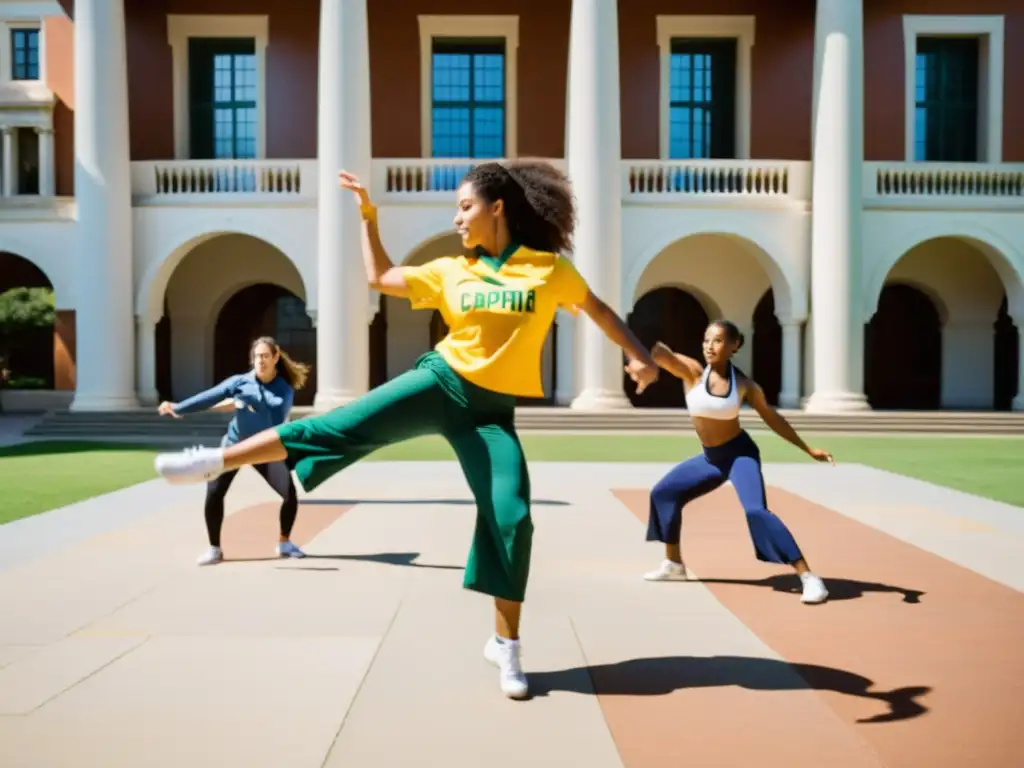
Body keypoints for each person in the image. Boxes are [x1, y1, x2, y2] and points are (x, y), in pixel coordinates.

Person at [151, 160, 660, 699]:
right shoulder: (451, 270)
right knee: (336, 426)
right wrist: (369, 216)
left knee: (513, 518)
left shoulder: (548, 270)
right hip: (439, 383)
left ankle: (505, 645)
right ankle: (213, 461)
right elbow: (380, 278)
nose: (458, 218)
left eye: (465, 207)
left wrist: (640, 357)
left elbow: (599, 310)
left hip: (490, 414)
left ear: (498, 208)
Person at [642, 320, 832, 605]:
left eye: (717, 341)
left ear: (734, 346)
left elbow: (772, 418)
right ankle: (674, 565)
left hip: (739, 455)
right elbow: (661, 355)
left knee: (756, 511)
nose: (709, 345)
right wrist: (639, 352)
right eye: (706, 339)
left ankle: (809, 577)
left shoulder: (744, 385)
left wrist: (807, 449)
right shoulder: (693, 373)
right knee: (664, 493)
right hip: (710, 459)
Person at [157, 336, 311, 566]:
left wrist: (248, 399)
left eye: (266, 356)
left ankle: (284, 542)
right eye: (257, 356)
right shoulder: (240, 382)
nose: (261, 361)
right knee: (215, 493)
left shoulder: (283, 388)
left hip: (264, 449)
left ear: (276, 357)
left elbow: (276, 413)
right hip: (234, 446)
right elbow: (210, 395)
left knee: (290, 496)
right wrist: (179, 408)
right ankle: (214, 549)